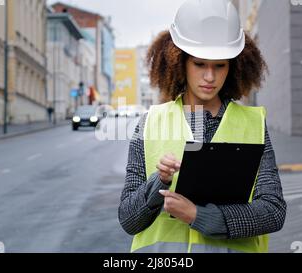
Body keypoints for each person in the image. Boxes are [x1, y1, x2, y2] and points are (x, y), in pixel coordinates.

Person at [118, 0, 286, 253]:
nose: (210, 77)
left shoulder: (253, 125)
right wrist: (159, 182)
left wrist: (198, 215)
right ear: (180, 62)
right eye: (199, 64)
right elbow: (128, 220)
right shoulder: (150, 122)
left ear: (233, 66)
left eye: (220, 65)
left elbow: (273, 212)